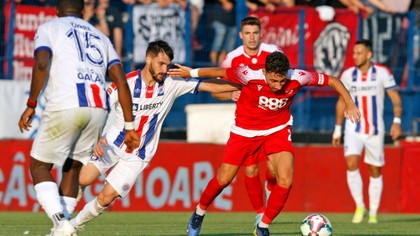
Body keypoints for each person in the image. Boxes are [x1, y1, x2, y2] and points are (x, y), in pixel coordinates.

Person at [168, 51, 361, 236]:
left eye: (282, 80)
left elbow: (333, 81)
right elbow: (218, 72)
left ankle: (262, 226)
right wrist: (190, 72)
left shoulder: (299, 77)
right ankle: (198, 213)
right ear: (265, 72)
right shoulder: (247, 74)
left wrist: (349, 102)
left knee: (286, 179)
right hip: (244, 132)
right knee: (224, 179)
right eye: (273, 80)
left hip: (277, 130)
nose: (278, 86)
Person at [69, 40, 241, 232]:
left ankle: (73, 226)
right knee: (84, 179)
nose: (165, 69)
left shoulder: (172, 83)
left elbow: (209, 87)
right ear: (148, 59)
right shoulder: (125, 83)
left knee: (105, 198)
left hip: (138, 155)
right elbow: (98, 107)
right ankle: (69, 204)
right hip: (113, 142)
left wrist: (243, 86)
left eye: (167, 64)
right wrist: (96, 136)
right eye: (161, 64)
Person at [17, 0, 139, 235]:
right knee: (73, 169)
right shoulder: (101, 36)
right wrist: (130, 125)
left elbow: (41, 63)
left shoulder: (49, 27)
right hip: (98, 107)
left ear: (57, 11)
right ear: (83, 11)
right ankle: (64, 228)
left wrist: (32, 104)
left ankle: (61, 223)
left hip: (66, 102)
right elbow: (121, 81)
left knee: (39, 165)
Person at [213, 16, 282, 226]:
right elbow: (216, 89)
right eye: (247, 33)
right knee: (250, 169)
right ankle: (261, 213)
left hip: (273, 122)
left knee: (273, 169)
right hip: (247, 125)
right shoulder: (232, 58)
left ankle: (271, 189)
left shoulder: (273, 52)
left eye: (255, 33)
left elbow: (285, 80)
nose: (252, 37)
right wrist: (229, 95)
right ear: (241, 35)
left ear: (261, 33)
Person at [332, 39, 402, 224]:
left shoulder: (382, 73)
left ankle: (373, 213)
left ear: (369, 54)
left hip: (375, 129)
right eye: (354, 53)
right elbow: (341, 101)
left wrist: (396, 121)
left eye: (359, 52)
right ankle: (360, 206)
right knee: (351, 162)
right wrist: (337, 129)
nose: (355, 56)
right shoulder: (347, 75)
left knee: (374, 170)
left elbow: (394, 97)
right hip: (353, 128)